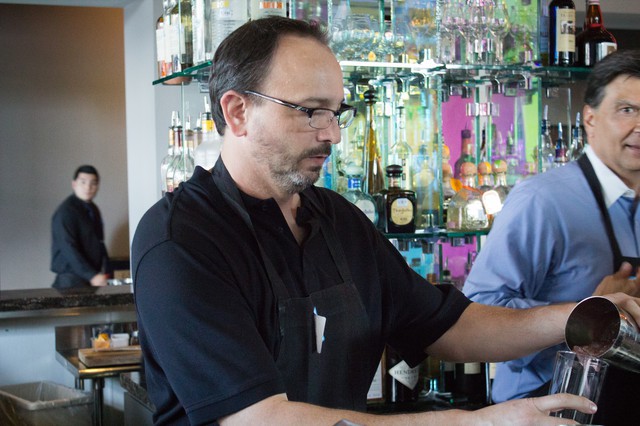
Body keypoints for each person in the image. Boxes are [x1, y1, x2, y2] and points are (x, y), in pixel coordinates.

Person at [132, 18, 640, 425]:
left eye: (337, 112)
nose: (332, 134)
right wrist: (481, 423)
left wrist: (582, 317)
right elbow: (262, 417)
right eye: (310, 112)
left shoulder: (337, 220)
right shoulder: (180, 240)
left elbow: (449, 324)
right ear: (237, 112)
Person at [463, 49, 640, 425]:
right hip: (548, 408)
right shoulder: (543, 199)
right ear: (590, 119)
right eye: (627, 110)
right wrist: (590, 310)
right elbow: (478, 307)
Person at [51, 165, 109, 288]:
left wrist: (106, 269)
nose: (88, 187)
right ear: (74, 184)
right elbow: (68, 247)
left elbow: (99, 242)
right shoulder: (66, 211)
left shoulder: (93, 208)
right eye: (83, 182)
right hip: (71, 278)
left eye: (93, 183)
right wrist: (91, 275)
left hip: (91, 276)